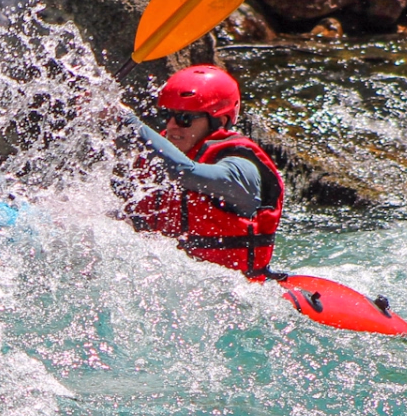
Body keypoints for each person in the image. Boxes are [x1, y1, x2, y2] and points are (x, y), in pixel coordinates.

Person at [115, 64, 285, 277]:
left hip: (235, 293)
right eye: (167, 115)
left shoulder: (242, 169)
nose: (172, 125)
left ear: (219, 121)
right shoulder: (152, 157)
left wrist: (127, 120)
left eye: (185, 118)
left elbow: (187, 174)